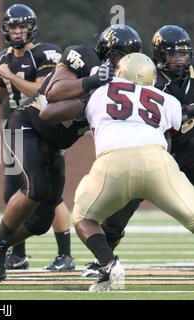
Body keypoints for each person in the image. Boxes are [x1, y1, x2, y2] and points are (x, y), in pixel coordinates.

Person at [0, 24, 142, 289]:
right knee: (35, 188)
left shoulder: (124, 84)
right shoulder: (84, 57)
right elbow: (54, 92)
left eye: (132, 58)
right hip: (29, 123)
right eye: (123, 56)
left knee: (40, 222)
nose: (126, 64)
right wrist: (92, 80)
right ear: (109, 53)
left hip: (55, 142)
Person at [40, 52, 194, 292]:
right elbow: (180, 117)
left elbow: (47, 114)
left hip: (113, 163)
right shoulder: (165, 98)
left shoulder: (99, 93)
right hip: (157, 162)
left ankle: (108, 263)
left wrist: (85, 102)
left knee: (83, 217)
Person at [82, 25, 194, 277]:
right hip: (158, 154)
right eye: (172, 55)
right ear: (158, 56)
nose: (179, 60)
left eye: (183, 54)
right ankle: (104, 261)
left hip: (189, 151)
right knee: (116, 218)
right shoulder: (149, 81)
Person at [0, 3, 72, 271]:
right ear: (5, 30)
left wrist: (9, 75)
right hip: (19, 130)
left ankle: (64, 255)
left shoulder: (45, 53)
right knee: (14, 193)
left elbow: (43, 89)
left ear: (31, 28)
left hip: (44, 128)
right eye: (13, 27)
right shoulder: (2, 58)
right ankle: (17, 253)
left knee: (48, 194)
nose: (18, 32)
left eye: (22, 27)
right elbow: (0, 100)